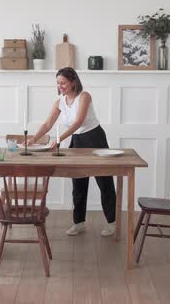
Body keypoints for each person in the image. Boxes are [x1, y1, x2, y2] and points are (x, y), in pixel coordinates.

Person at [27, 67, 117, 236]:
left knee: (104, 182)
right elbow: (47, 124)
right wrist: (33, 139)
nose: (60, 86)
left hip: (94, 138)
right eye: (58, 83)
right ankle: (79, 222)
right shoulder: (60, 102)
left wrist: (59, 139)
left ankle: (112, 222)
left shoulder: (84, 96)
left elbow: (78, 122)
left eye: (63, 83)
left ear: (73, 82)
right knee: (78, 183)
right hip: (77, 140)